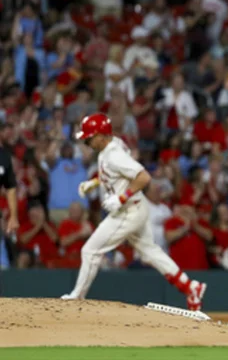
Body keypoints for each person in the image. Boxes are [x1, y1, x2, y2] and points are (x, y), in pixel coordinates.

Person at [61, 113, 207, 311]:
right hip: (136, 207)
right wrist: (94, 182)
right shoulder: (114, 144)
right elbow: (116, 174)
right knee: (150, 252)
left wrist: (121, 197)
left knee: (90, 250)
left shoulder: (114, 154)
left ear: (101, 136)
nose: (87, 141)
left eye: (90, 137)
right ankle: (191, 288)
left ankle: (77, 297)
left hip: (127, 211)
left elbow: (144, 177)